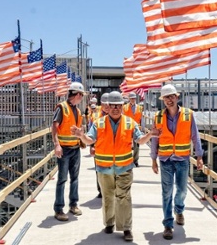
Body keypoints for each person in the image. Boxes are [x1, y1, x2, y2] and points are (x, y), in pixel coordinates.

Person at [71, 91, 160, 242]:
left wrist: (150, 135)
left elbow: (140, 140)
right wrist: (81, 136)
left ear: (122, 106)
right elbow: (89, 140)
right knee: (108, 197)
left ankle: (126, 228)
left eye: (118, 105)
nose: (115, 108)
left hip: (124, 167)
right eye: (112, 105)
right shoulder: (99, 123)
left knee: (124, 198)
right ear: (106, 107)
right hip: (104, 168)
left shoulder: (130, 123)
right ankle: (109, 223)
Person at [150, 84, 204, 240]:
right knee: (166, 192)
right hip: (165, 159)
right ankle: (168, 224)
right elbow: (155, 139)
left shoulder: (188, 115)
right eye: (166, 97)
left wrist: (199, 157)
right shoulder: (158, 116)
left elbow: (195, 136)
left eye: (171, 96)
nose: (169, 100)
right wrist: (153, 159)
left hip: (182, 159)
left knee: (181, 190)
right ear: (163, 100)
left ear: (177, 97)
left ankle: (179, 209)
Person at [51, 82, 87, 221]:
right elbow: (54, 127)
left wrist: (81, 138)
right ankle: (58, 209)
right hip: (64, 149)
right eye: (82, 95)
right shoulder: (62, 108)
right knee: (62, 179)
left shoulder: (77, 111)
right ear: (77, 94)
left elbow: (77, 129)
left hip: (75, 148)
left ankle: (73, 204)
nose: (82, 98)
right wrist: (56, 145)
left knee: (75, 178)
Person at [89, 92, 110, 198]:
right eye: (104, 104)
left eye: (108, 104)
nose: (106, 106)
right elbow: (91, 133)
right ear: (101, 104)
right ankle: (101, 190)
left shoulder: (115, 115)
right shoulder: (95, 116)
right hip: (99, 148)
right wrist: (91, 147)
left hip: (112, 148)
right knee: (99, 170)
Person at [122, 92, 143, 167]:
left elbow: (141, 119)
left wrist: (142, 128)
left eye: (134, 98)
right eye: (131, 98)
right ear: (129, 99)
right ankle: (127, 160)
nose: (133, 99)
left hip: (137, 128)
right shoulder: (124, 107)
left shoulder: (140, 108)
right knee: (127, 144)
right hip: (127, 128)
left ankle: (135, 160)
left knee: (137, 145)